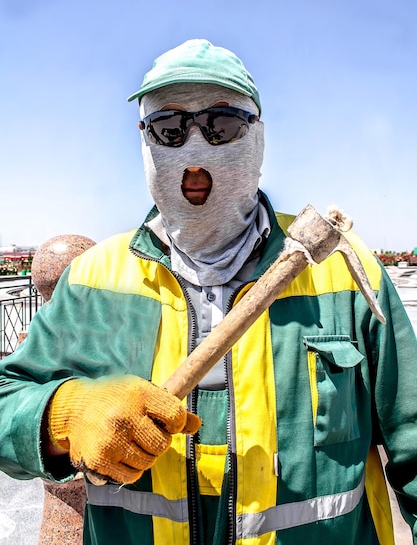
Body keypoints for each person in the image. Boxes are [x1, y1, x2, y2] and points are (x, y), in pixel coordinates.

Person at [0, 39, 416, 545]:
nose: (194, 154)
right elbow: (7, 402)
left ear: (257, 136)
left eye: (222, 126)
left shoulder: (343, 271)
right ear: (143, 138)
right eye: (169, 129)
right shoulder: (94, 279)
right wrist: (67, 413)